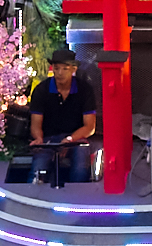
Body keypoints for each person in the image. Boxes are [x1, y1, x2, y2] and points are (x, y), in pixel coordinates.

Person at [23, 48, 100, 187]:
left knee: (81, 167)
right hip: (48, 137)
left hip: (76, 137)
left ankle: (78, 198)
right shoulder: (41, 90)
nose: (60, 73)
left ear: (73, 69)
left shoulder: (84, 90)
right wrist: (38, 138)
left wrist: (70, 139)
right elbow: (36, 123)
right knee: (38, 169)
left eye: (65, 69)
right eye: (57, 68)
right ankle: (35, 198)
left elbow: (90, 126)